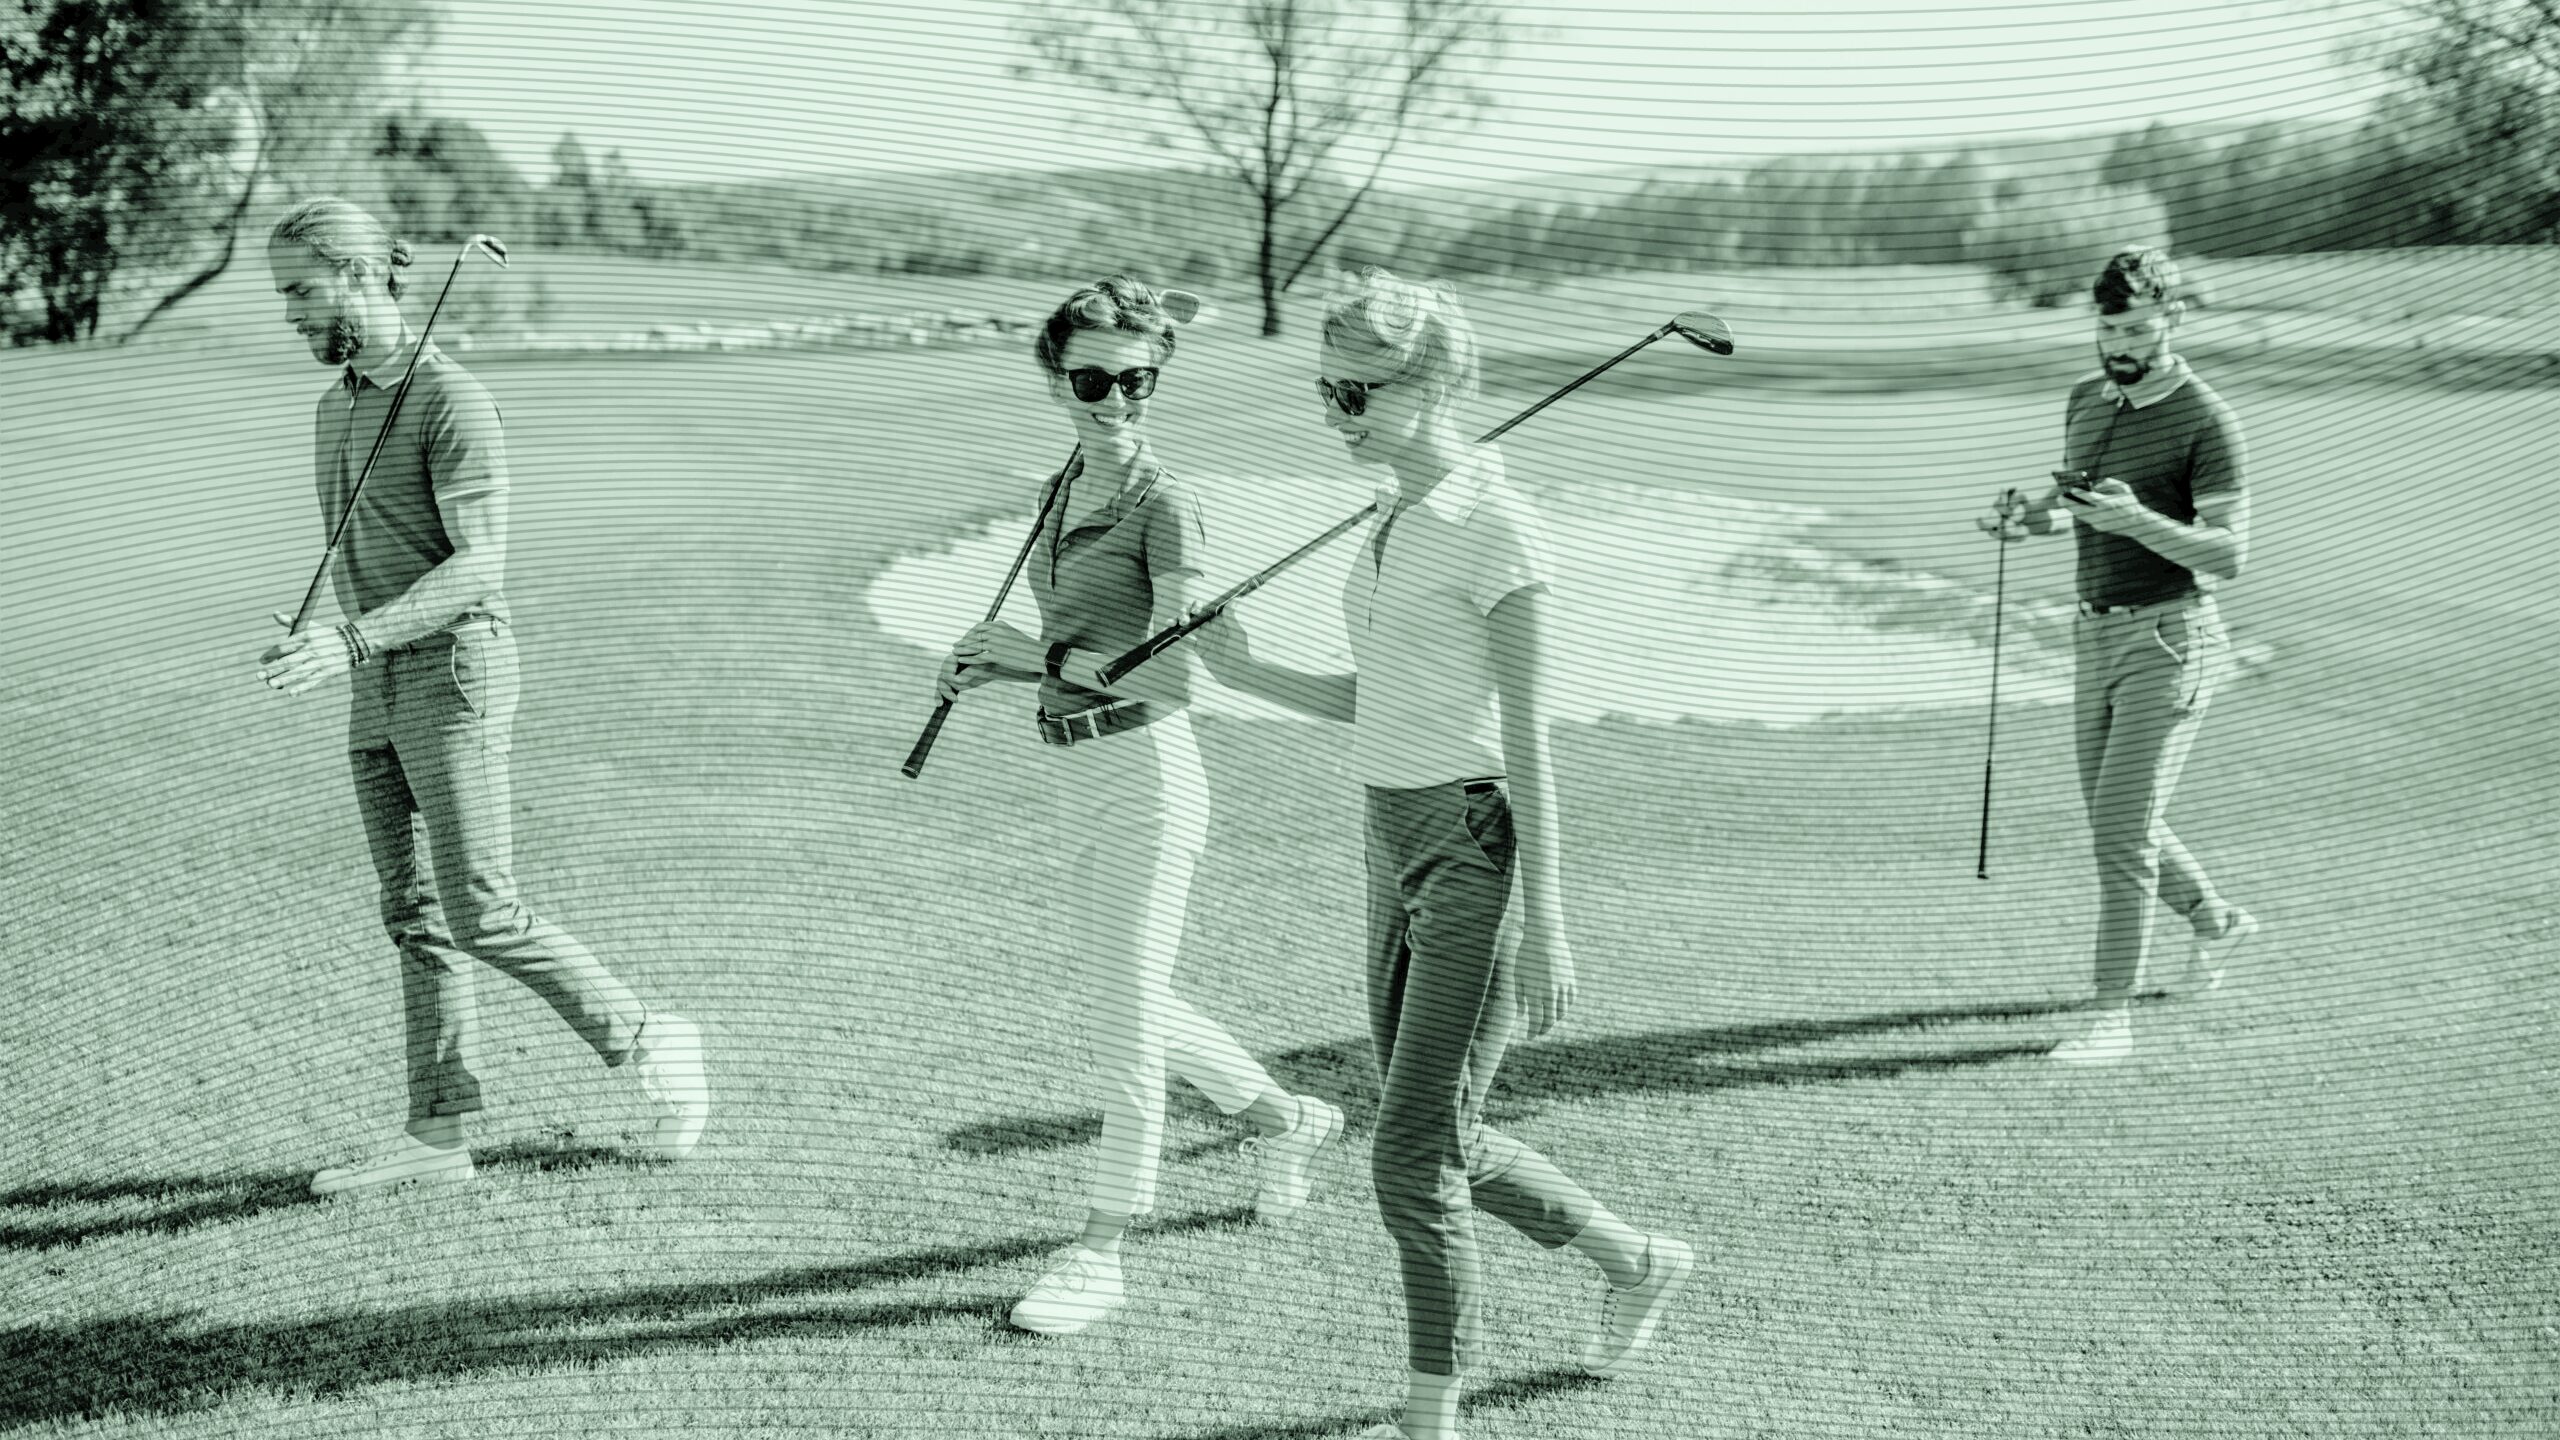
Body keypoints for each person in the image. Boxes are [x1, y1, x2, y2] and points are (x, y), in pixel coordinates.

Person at [1190, 268, 1693, 1440]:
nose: (1333, 413)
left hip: (1475, 849)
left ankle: (1431, 1421)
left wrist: (1551, 920)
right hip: (1387, 835)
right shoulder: (1393, 514)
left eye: (1355, 393)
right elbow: (1386, 695)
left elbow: (1527, 738)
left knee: (1408, 1159)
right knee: (1445, 1134)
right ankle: (1636, 1260)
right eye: (1324, 388)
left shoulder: (1500, 528)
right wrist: (1242, 667)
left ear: (1430, 386)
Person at [257, 197, 709, 1194]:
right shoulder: (334, 405)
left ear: (365, 275)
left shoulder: (450, 399)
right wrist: (327, 641)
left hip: (453, 668)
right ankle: (436, 1137)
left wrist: (352, 637)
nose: (286, 311)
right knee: (411, 914)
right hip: (372, 681)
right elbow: (366, 557)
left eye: (299, 289)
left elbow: (480, 565)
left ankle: (647, 1040)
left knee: (482, 911)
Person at [939, 275, 1346, 1338]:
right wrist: (990, 668)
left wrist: (1032, 659)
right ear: (1053, 375)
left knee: (1121, 1018)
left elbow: (1171, 678)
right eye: (1091, 379)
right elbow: (1068, 653)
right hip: (1072, 772)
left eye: (1136, 379)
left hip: (1147, 776)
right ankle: (1285, 1119)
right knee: (1133, 999)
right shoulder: (1061, 487)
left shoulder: (1169, 503)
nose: (1115, 400)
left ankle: (1101, 1248)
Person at [1979, 245, 2261, 1066]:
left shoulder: (2208, 419)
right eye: (2110, 329)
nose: (2122, 345)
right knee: (2121, 821)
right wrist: (2024, 518)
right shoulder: (2086, 398)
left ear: (2173, 319)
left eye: (2139, 328)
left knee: (2118, 831)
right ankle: (2217, 923)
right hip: (2093, 634)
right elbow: (2075, 511)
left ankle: (2111, 1017)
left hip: (2175, 639)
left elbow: (2231, 555)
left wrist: (2137, 520)